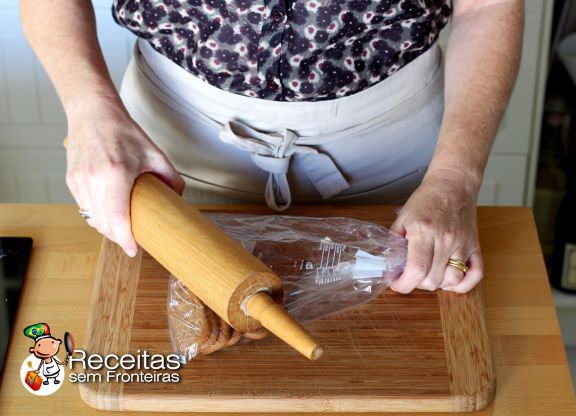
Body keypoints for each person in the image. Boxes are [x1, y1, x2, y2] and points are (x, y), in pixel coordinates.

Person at [20, 0, 523, 294]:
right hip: (167, 153)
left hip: (402, 161)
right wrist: (89, 111)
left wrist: (454, 181)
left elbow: (487, 7)